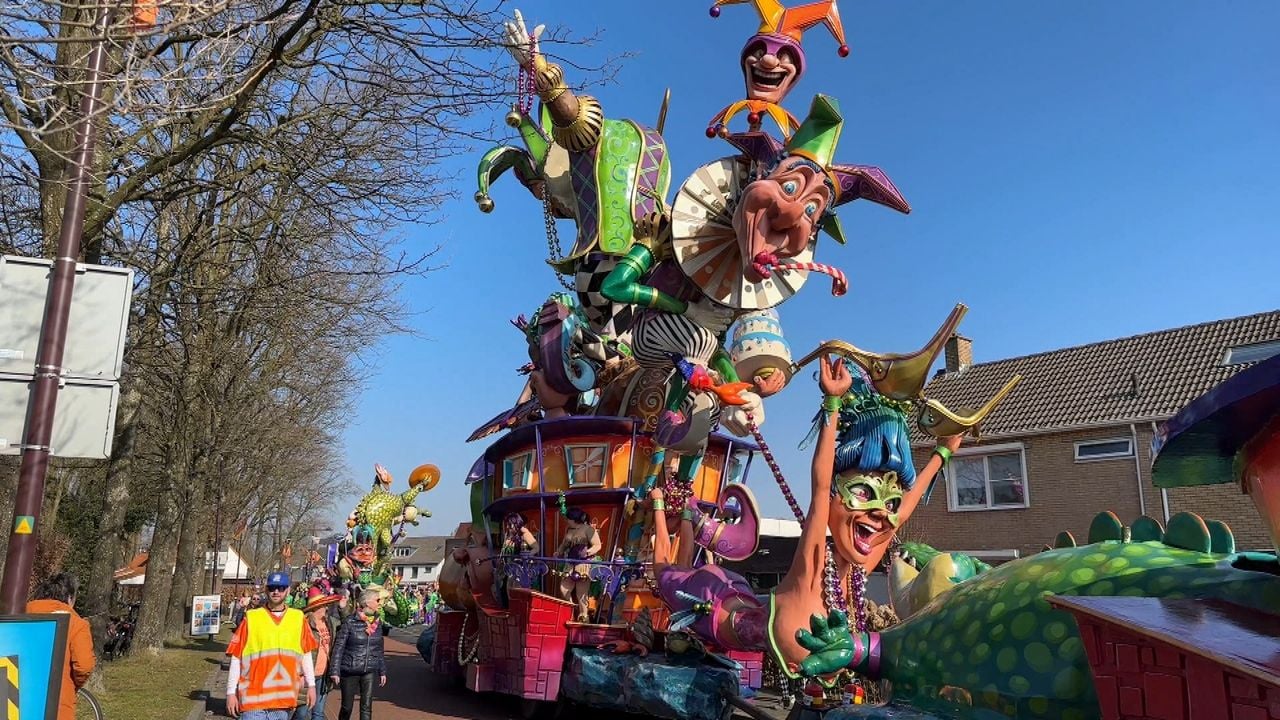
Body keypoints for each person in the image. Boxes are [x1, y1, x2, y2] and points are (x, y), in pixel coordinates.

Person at [226, 572, 318, 720]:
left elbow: (306, 655)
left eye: (281, 588)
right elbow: (236, 657)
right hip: (253, 697)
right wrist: (231, 692)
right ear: (266, 589)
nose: (276, 592)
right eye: (272, 588)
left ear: (287, 590)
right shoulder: (251, 618)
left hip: (282, 700)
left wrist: (311, 686)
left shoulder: (298, 619)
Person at [27, 573, 95, 720]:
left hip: (17, 700)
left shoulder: (19, 614)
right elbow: (84, 666)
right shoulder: (76, 624)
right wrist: (73, 685)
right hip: (56, 704)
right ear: (70, 598)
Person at [329, 589, 387, 720]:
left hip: (369, 670)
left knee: (366, 707)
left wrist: (382, 670)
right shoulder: (350, 622)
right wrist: (335, 670)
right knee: (347, 707)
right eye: (377, 600)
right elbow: (339, 647)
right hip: (350, 669)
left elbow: (379, 648)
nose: (380, 603)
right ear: (367, 602)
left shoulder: (377, 623)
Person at [293, 587, 340, 720]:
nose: (326, 608)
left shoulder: (330, 623)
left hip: (324, 674)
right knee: (302, 712)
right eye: (324, 606)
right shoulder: (305, 624)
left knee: (318, 713)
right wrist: (300, 672)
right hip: (308, 674)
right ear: (316, 608)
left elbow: (346, 624)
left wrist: (343, 609)